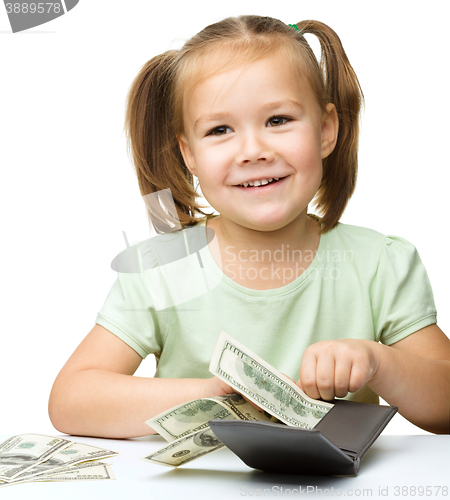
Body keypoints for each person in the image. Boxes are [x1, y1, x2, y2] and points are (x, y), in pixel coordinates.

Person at [48, 15, 450, 438]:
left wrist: (378, 363)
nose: (253, 151)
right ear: (189, 155)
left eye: (278, 120)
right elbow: (71, 400)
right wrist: (212, 396)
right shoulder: (162, 267)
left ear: (327, 129)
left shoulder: (378, 264)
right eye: (220, 129)